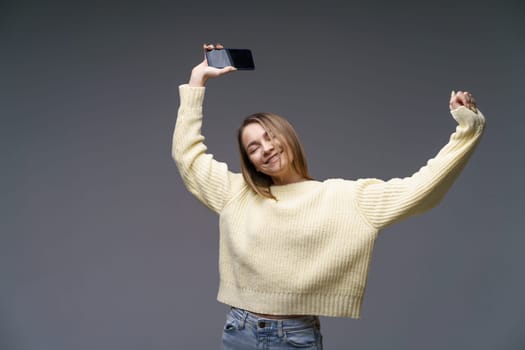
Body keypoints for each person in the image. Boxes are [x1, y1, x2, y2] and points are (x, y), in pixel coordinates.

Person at [172, 43, 485, 350]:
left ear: (288, 136)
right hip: (239, 331)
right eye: (253, 147)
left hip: (295, 337)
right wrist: (197, 81)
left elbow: (420, 189)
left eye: (270, 137)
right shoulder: (236, 194)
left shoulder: (343, 198)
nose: (265, 148)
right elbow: (188, 156)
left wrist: (466, 132)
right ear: (249, 160)